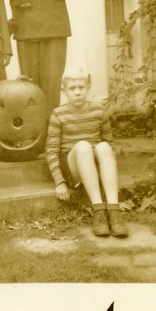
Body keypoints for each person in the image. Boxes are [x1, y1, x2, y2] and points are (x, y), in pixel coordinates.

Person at [45, 67, 129, 238]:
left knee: (104, 147)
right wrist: (59, 182)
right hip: (73, 167)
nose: (77, 92)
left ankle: (113, 211)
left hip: (93, 167)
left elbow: (109, 143)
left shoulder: (99, 111)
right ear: (64, 91)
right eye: (72, 88)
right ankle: (98, 210)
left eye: (81, 88)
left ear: (88, 87)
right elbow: (51, 151)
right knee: (83, 146)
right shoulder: (58, 114)